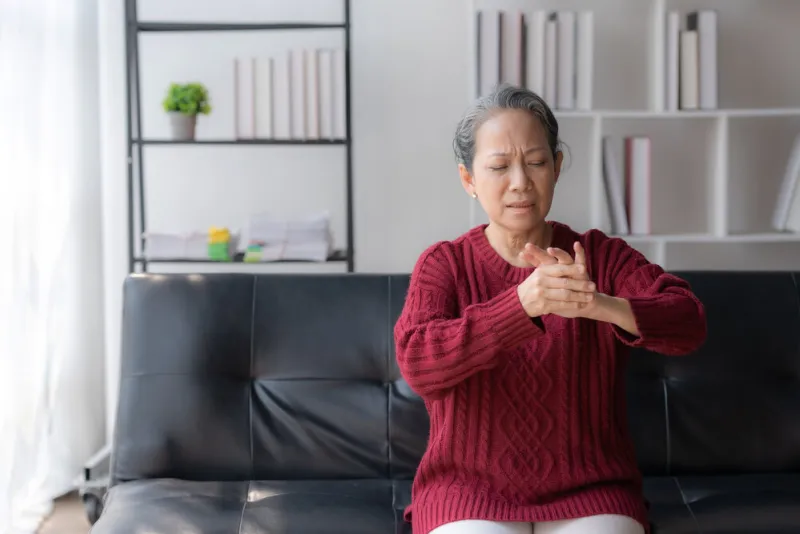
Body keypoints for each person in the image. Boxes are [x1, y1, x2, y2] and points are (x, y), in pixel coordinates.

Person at [393, 84, 707, 534]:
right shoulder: (445, 264)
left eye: (537, 162)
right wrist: (522, 305)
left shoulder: (602, 256)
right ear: (468, 179)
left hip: (591, 486)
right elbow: (419, 365)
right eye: (499, 166)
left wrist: (600, 305)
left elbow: (688, 322)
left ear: (557, 168)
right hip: (468, 490)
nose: (520, 181)